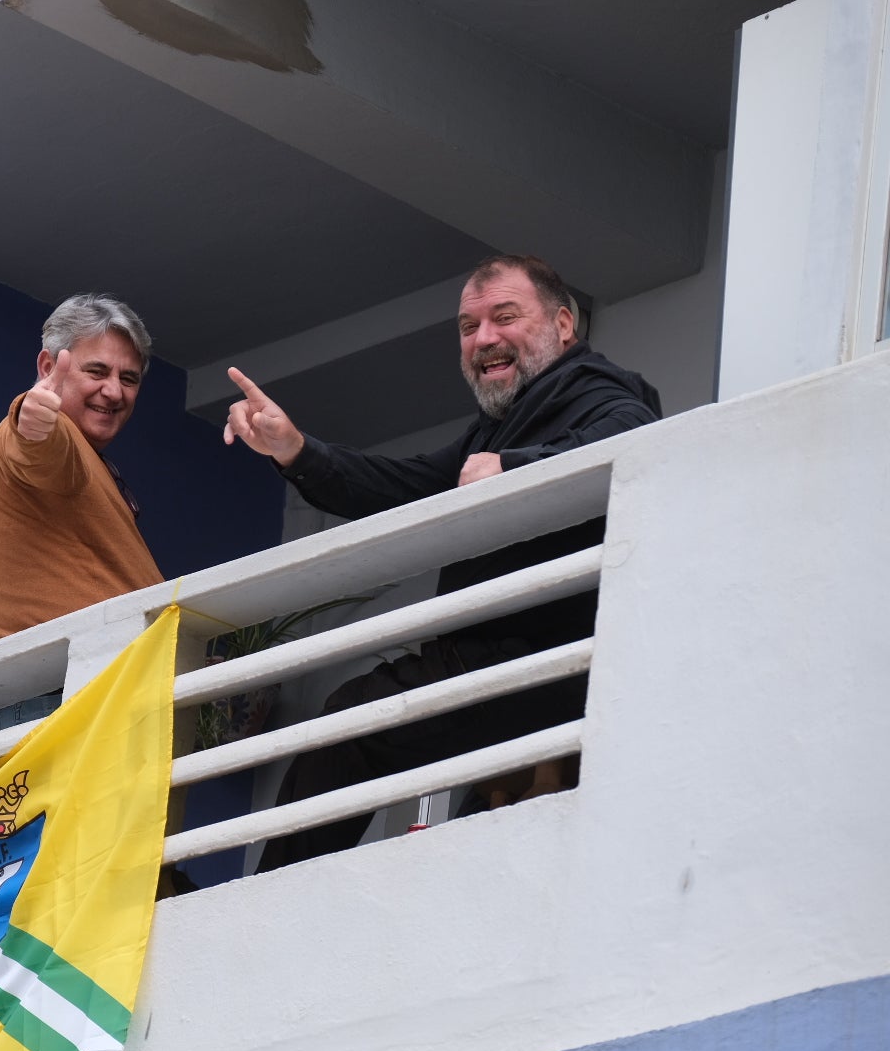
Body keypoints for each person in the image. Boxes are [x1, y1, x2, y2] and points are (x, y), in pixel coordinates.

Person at [222, 255, 662, 868]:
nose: (484, 339)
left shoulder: (597, 391)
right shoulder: (496, 426)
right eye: (468, 327)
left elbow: (634, 435)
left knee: (349, 728)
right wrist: (295, 451)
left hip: (535, 668)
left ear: (565, 325)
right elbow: (399, 484)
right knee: (463, 833)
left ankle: (263, 902)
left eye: (504, 317)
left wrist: (513, 469)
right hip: (497, 677)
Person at [0, 294, 164, 730]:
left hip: (92, 694)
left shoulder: (91, 458)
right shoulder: (52, 435)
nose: (114, 391)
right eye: (96, 371)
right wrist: (33, 424)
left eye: (128, 378)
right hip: (52, 698)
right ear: (48, 368)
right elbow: (38, 449)